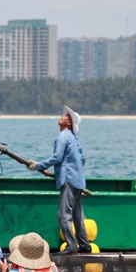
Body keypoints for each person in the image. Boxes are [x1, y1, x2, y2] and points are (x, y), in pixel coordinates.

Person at [27, 106, 90, 255]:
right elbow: (81, 159)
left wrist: (37, 166)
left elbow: (57, 157)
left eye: (66, 116)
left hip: (69, 180)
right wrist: (58, 172)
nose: (63, 116)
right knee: (77, 215)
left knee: (64, 214)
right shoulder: (74, 138)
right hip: (78, 180)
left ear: (69, 123)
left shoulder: (63, 136)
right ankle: (84, 244)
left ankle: (71, 245)